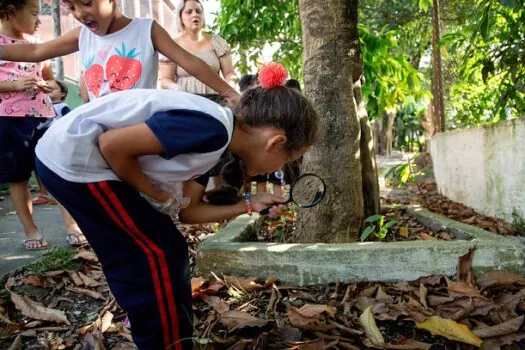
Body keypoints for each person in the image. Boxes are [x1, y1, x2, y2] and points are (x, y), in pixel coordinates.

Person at [34, 63, 321, 349]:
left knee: (157, 250)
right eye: (287, 160)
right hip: (76, 163)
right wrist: (156, 196)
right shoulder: (212, 129)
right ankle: (167, 340)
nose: (281, 167)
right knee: (155, 253)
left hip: (73, 162)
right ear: (276, 142)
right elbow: (112, 145)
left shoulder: (221, 139)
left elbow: (188, 212)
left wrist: (250, 203)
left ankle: (158, 326)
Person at [0, 0, 238, 104]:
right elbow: (38, 50)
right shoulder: (82, 35)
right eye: (71, 7)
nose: (79, 13)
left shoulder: (147, 30)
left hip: (136, 122)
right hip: (99, 122)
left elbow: (190, 62)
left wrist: (230, 93)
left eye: (86, 2)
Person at [0, 0, 84, 249]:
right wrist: (12, 86)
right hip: (9, 120)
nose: (39, 20)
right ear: (12, 11)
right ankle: (31, 230)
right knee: (18, 178)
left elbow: (46, 75)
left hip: (45, 116)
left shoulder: (35, 45)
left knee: (56, 170)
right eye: (35, 13)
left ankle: (71, 224)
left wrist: (49, 84)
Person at [159, 0, 237, 93]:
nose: (195, 14)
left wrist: (231, 88)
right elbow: (165, 79)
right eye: (189, 12)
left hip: (215, 101)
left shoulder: (217, 42)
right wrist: (175, 87)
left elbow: (229, 73)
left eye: (198, 11)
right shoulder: (172, 45)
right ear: (180, 17)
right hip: (185, 102)